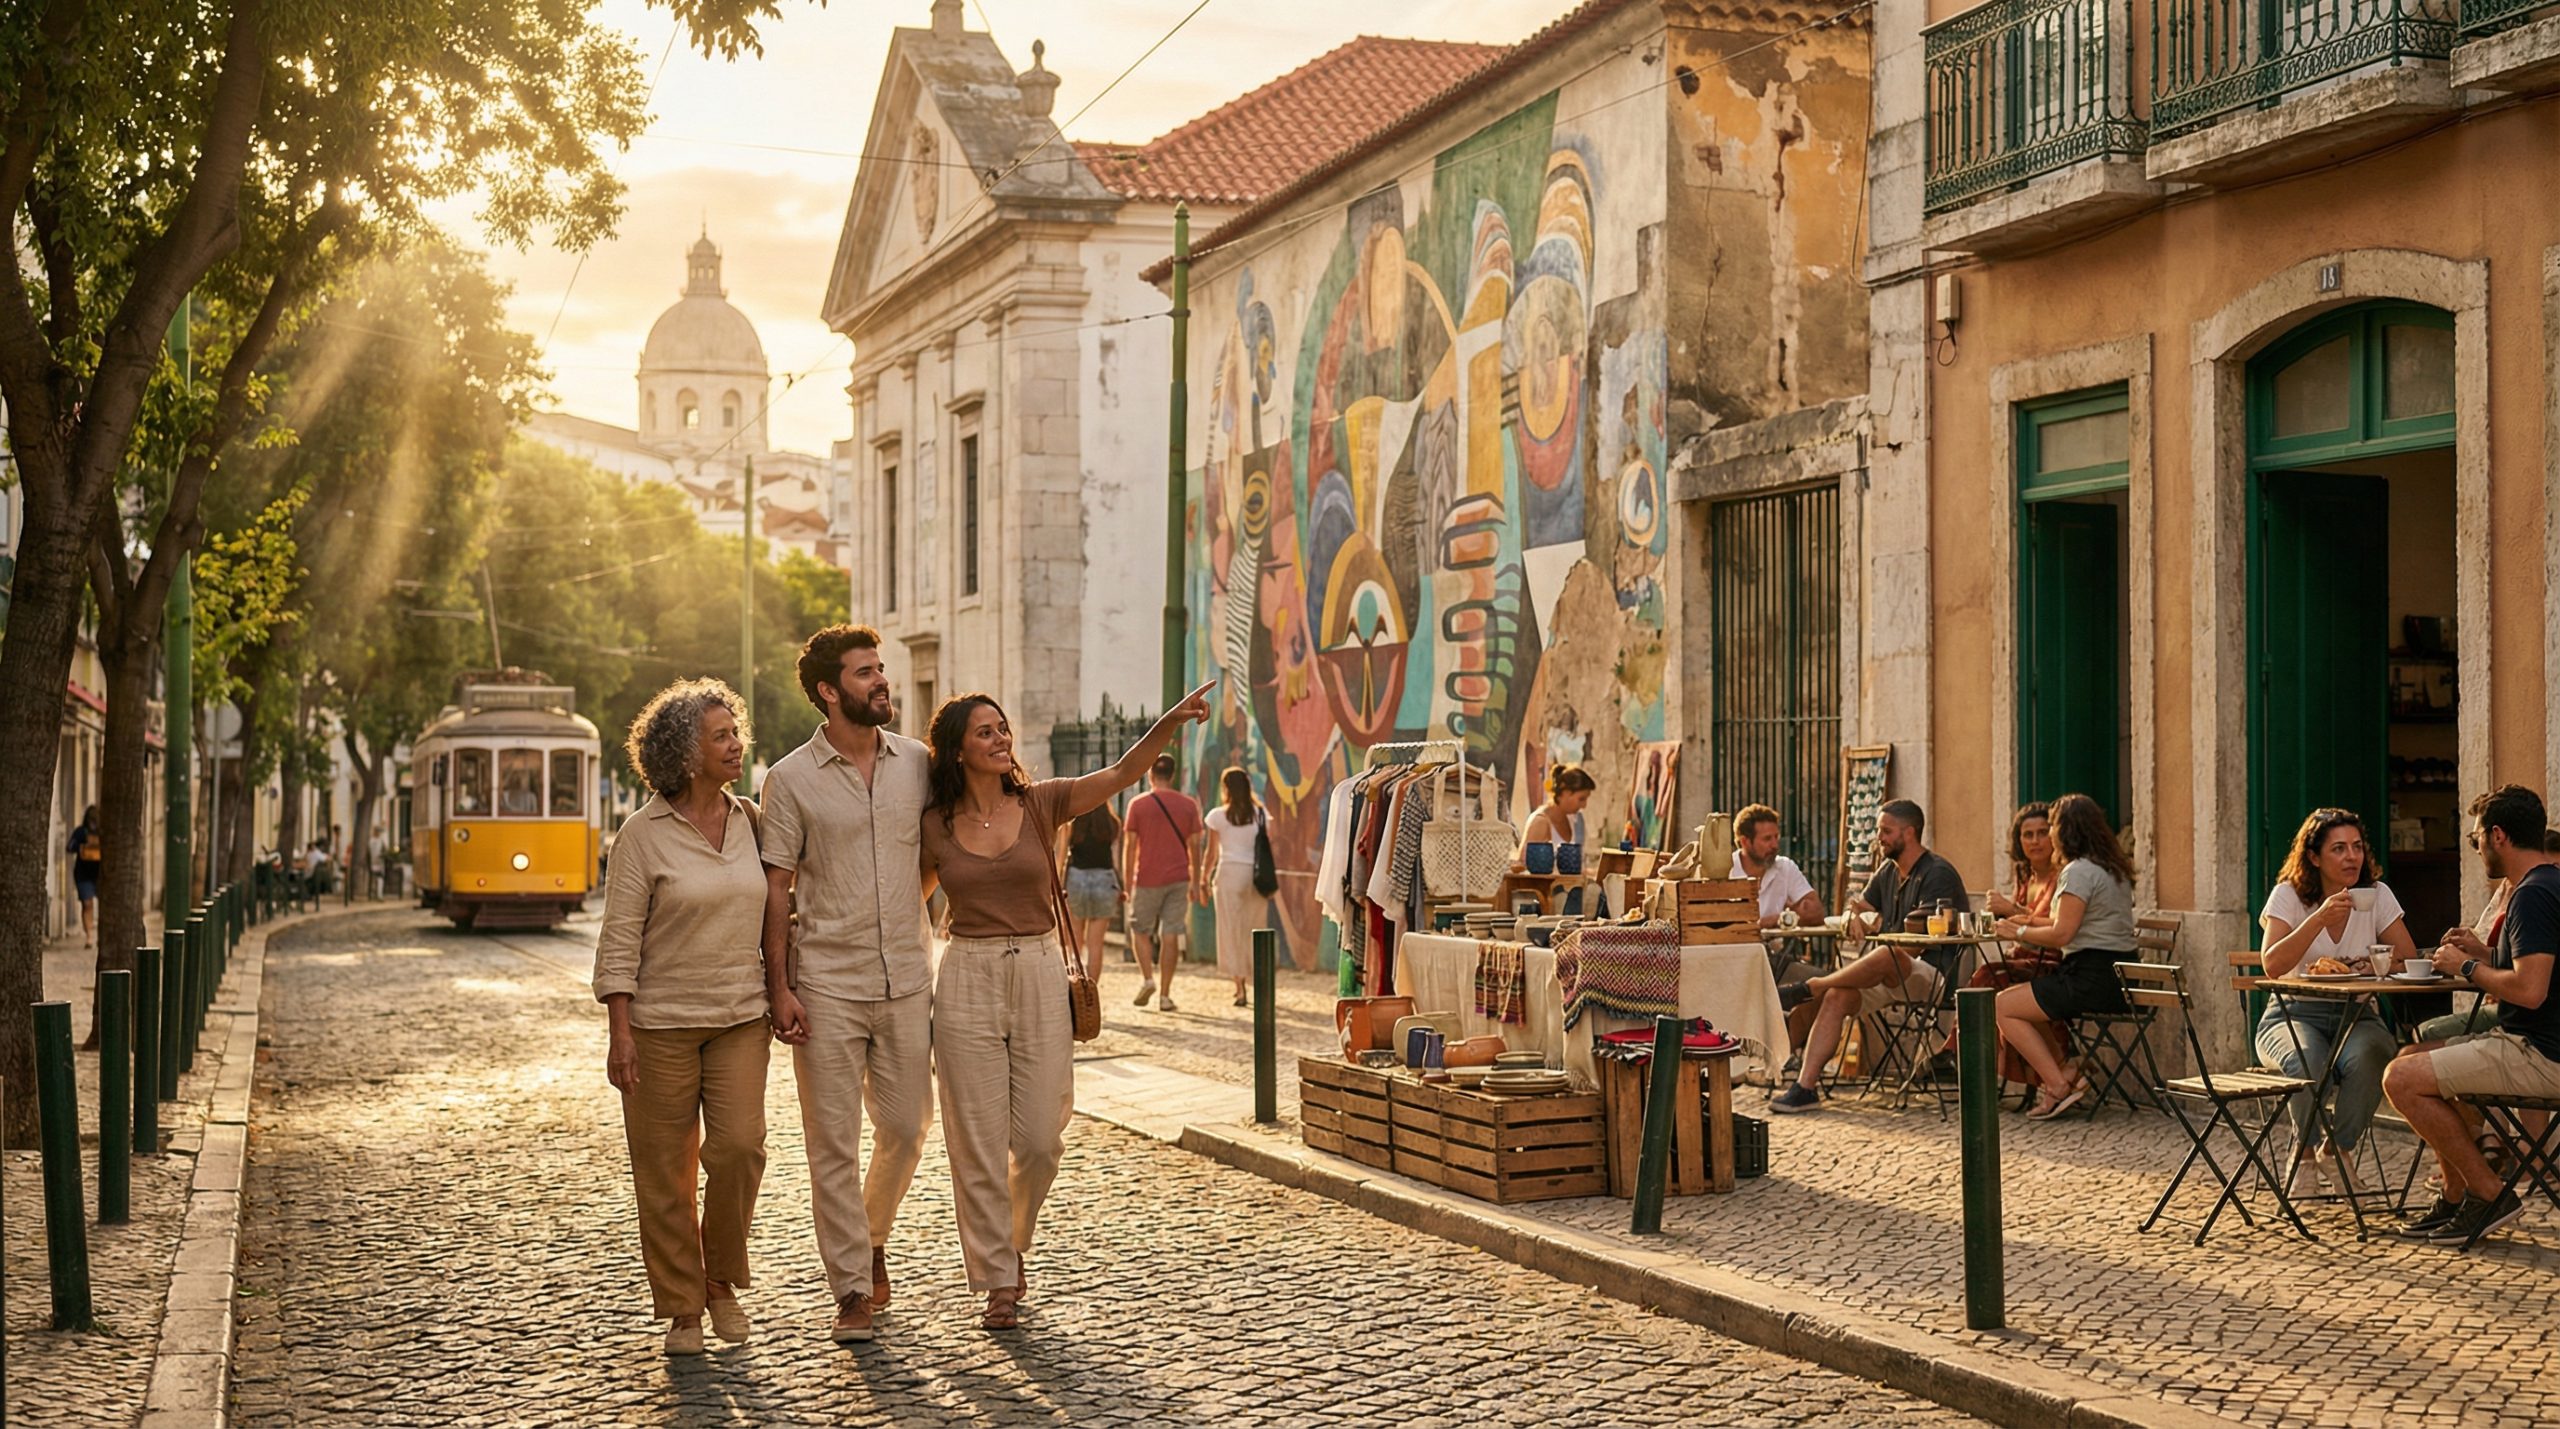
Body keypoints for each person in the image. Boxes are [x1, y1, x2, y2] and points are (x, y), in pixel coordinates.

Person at [920, 683, 1212, 1330]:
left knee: (1038, 1139)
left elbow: (1122, 771)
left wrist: (1169, 720)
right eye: (985, 732)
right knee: (975, 1138)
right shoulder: (934, 824)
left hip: (1038, 965)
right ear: (957, 750)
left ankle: (1013, 1240)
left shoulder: (1043, 801)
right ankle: (999, 1276)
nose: (1001, 738)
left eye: (1003, 728)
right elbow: (911, 898)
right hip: (965, 972)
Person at [758, 626, 934, 1345]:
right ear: (830, 690)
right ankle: (852, 1288)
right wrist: (779, 986)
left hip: (908, 979)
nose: (882, 681)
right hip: (826, 982)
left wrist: (907, 908)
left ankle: (872, 1233)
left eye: (882, 669)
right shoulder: (790, 778)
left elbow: (935, 859)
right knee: (832, 1142)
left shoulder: (919, 763)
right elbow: (776, 889)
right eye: (866, 673)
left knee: (906, 1126)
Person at [592, 678, 770, 1357]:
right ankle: (682, 1308)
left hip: (739, 1016)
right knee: (664, 1169)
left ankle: (720, 1276)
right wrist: (620, 1032)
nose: (736, 744)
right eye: (721, 735)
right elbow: (619, 941)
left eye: (736, 731)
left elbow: (781, 912)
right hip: (658, 1025)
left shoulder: (752, 819)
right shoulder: (641, 835)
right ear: (684, 751)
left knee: (740, 1147)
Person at [2384, 786, 2560, 1246]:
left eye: (2477, 837)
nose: (2477, 846)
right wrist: (2484, 951)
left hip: (2540, 1054)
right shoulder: (2547, 885)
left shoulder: (2533, 896)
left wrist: (2465, 967)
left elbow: (2531, 990)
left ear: (2498, 836)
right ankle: (2456, 1193)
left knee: (2399, 1079)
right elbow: (2537, 967)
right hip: (2535, 1046)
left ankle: (2489, 1194)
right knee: (2411, 1055)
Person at [2242, 807, 2417, 1191]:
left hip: (2355, 1013)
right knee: (2306, 1060)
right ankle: (2303, 1152)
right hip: (2290, 1014)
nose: (2352, 857)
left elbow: (2405, 957)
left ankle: (2336, 1149)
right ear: (2314, 857)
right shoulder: (2289, 895)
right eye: (2339, 849)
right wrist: (2318, 918)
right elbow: (2272, 964)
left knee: (2376, 1051)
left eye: (2357, 847)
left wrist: (2370, 964)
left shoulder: (2376, 895)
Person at [1770, 800, 1968, 1113]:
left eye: (1886, 831)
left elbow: (1917, 945)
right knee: (1837, 996)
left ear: (1910, 832)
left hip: (1931, 976)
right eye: (1879, 830)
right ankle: (1805, 1087)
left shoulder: (1937, 873)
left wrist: (1875, 930)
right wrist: (1852, 918)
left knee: (1889, 954)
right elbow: (1857, 905)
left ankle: (1811, 987)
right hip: (1887, 974)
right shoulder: (1888, 870)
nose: (1879, 837)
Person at [1991, 793, 2146, 1121]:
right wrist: (2027, 919)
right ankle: (2066, 1070)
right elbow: (2074, 923)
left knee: (2003, 1005)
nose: (2049, 836)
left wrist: (2016, 933)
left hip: (2092, 977)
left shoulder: (2077, 871)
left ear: (2066, 831)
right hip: (2116, 976)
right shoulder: (2111, 868)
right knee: (2025, 1000)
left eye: (2053, 827)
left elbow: (2063, 935)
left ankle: (2058, 1084)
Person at [1943, 802, 2062, 1081]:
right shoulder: (2025, 875)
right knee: (1986, 977)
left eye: (2042, 833)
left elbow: (2054, 925)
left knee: (1986, 976)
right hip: (2022, 961)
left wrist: (2012, 911)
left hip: (2051, 962)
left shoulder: (2062, 877)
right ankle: (1971, 1062)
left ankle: (1960, 1057)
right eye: (2027, 835)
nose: (2035, 841)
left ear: (2055, 835)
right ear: (2019, 841)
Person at [1121, 755, 1202, 1012]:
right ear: (1173, 774)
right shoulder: (1188, 805)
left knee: (1139, 930)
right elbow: (1196, 847)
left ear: (1150, 775)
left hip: (1146, 878)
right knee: (1171, 934)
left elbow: (1130, 847)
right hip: (1179, 878)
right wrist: (1197, 881)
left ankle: (1147, 978)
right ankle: (1165, 995)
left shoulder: (1138, 805)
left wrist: (1127, 883)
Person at [1201, 767, 1273, 1008]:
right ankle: (1258, 983)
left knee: (1232, 930)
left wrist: (1203, 878)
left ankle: (1240, 987)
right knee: (1255, 928)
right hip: (1255, 876)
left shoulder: (1218, 817)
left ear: (1225, 789)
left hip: (1229, 874)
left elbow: (1211, 854)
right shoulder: (1261, 814)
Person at [1736, 804, 1823, 929]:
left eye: (1776, 837)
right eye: (1767, 839)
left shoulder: (1785, 867)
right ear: (1745, 842)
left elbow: (1816, 913)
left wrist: (1778, 919)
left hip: (1776, 948)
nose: (1775, 845)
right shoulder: (1726, 871)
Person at [1063, 803, 1121, 983]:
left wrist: (1058, 882)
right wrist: (1121, 886)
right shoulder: (1113, 823)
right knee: (1096, 944)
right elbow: (1116, 859)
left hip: (1076, 879)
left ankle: (1076, 985)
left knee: (1075, 940)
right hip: (1104, 880)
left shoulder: (1073, 822)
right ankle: (1092, 991)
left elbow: (1062, 856)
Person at [1512, 764, 1596, 871]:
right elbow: (1522, 866)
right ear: (1565, 793)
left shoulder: (1576, 821)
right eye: (1581, 799)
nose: (1584, 805)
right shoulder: (1540, 821)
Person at [66, 805, 101, 946]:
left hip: (100, 874)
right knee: (87, 904)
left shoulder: (103, 832)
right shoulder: (81, 832)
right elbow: (69, 847)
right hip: (83, 874)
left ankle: (99, 935)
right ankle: (89, 936)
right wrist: (80, 847)